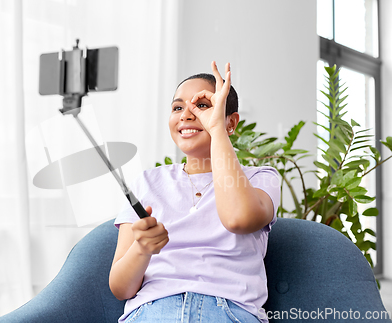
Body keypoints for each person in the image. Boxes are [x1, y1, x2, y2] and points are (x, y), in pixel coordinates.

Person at [109, 61, 280, 323]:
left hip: (228, 312)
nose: (186, 115)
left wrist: (216, 129)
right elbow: (121, 288)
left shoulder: (260, 179)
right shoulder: (147, 182)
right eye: (178, 107)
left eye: (202, 106)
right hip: (153, 311)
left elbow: (238, 219)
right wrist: (142, 249)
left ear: (231, 122)